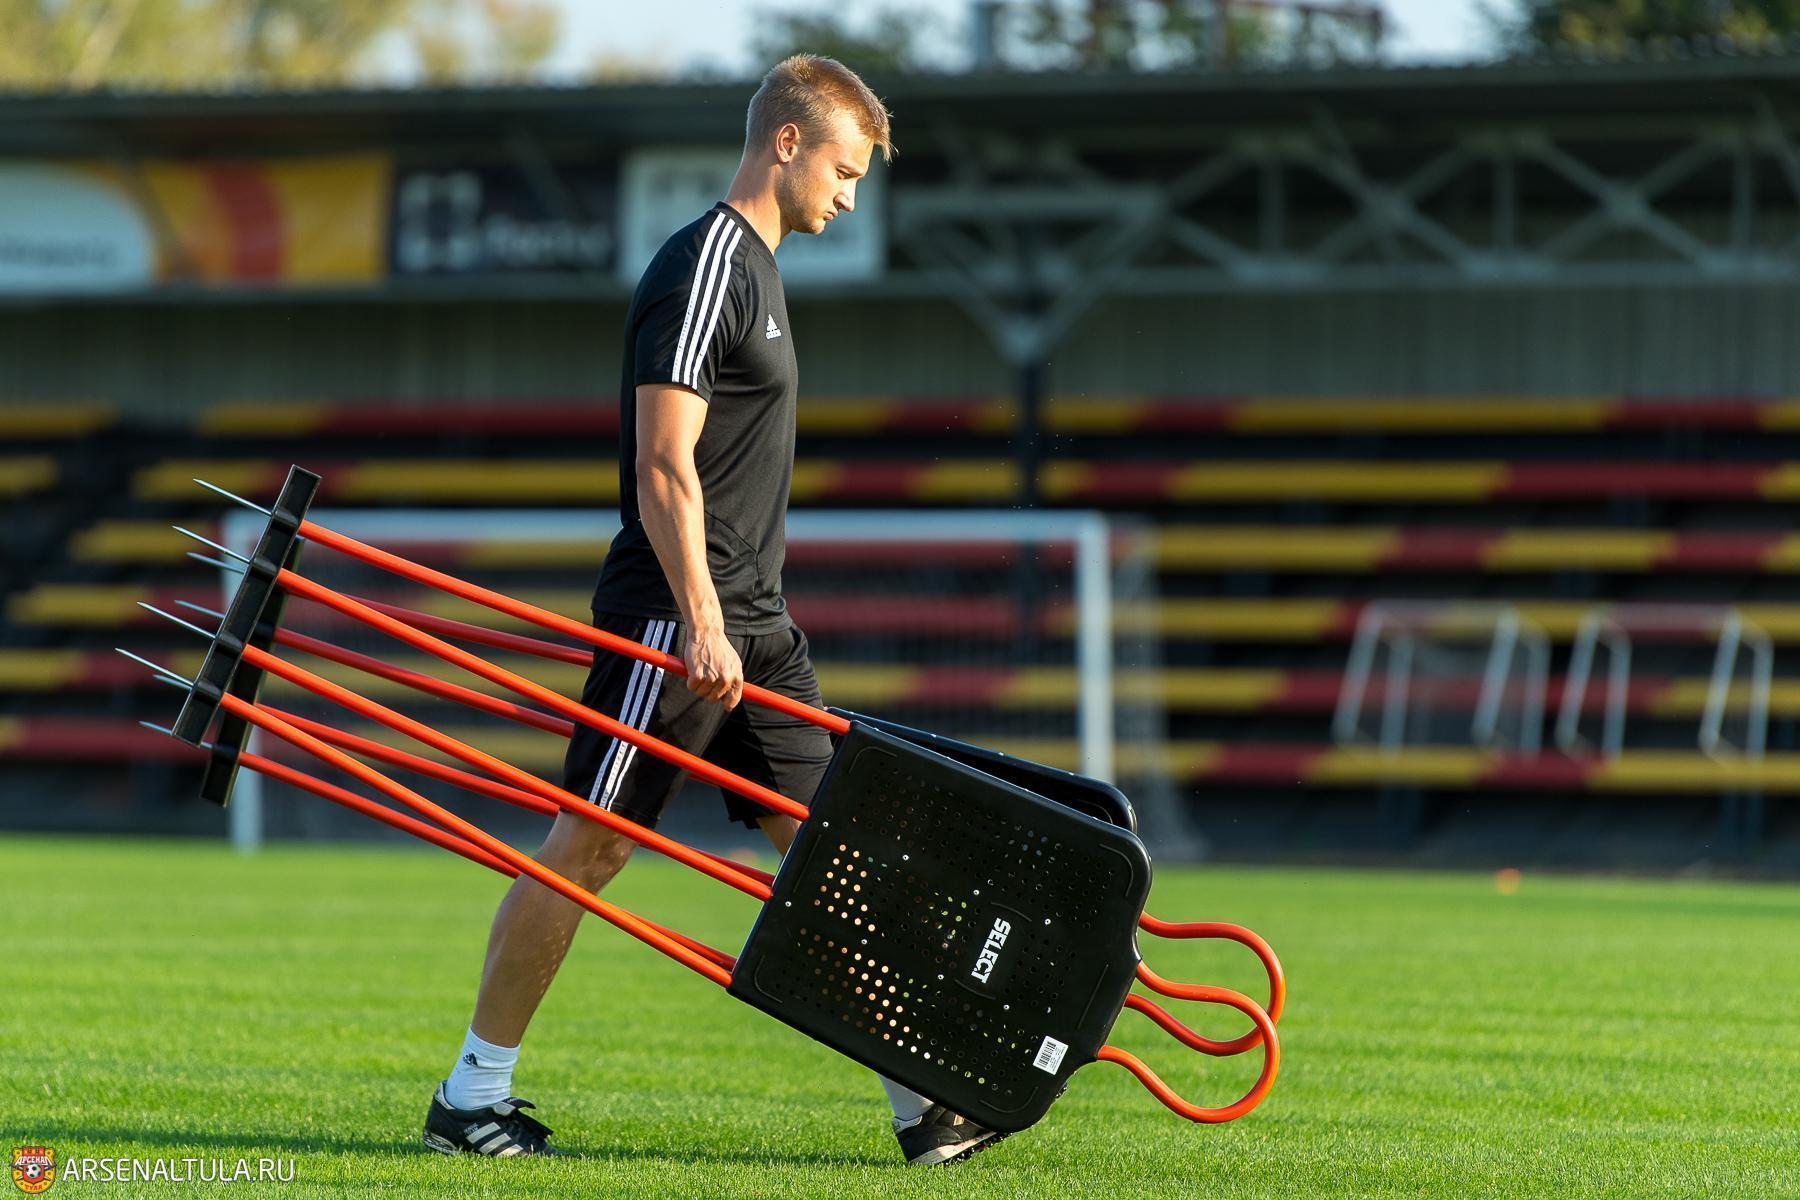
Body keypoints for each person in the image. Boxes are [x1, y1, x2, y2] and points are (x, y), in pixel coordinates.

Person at [422, 54, 1004, 1167]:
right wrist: (698, 617)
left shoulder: (763, 275)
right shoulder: (704, 265)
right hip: (677, 617)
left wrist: (734, 619)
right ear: (787, 143)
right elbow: (663, 463)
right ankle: (471, 1096)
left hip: (757, 625)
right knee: (589, 846)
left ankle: (920, 1105)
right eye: (844, 169)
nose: (851, 194)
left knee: (832, 849)